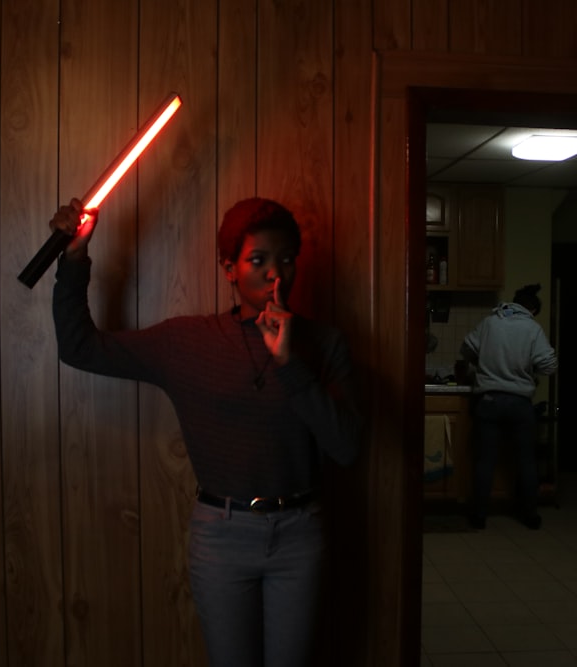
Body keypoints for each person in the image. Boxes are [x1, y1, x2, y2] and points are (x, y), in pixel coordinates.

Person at [48, 196, 362, 667]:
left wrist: (290, 365)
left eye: (286, 260)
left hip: (299, 533)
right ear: (229, 268)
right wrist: (73, 259)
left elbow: (347, 447)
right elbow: (79, 348)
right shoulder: (188, 342)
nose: (276, 273)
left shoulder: (324, 343)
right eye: (258, 260)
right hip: (222, 535)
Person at [459, 283, 557, 530]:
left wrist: (482, 361)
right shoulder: (533, 328)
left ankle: (479, 516)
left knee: (485, 460)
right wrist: (529, 370)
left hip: (489, 401)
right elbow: (549, 365)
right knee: (526, 460)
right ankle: (530, 515)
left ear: (514, 303)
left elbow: (466, 348)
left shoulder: (490, 323)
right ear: (532, 309)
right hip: (519, 404)